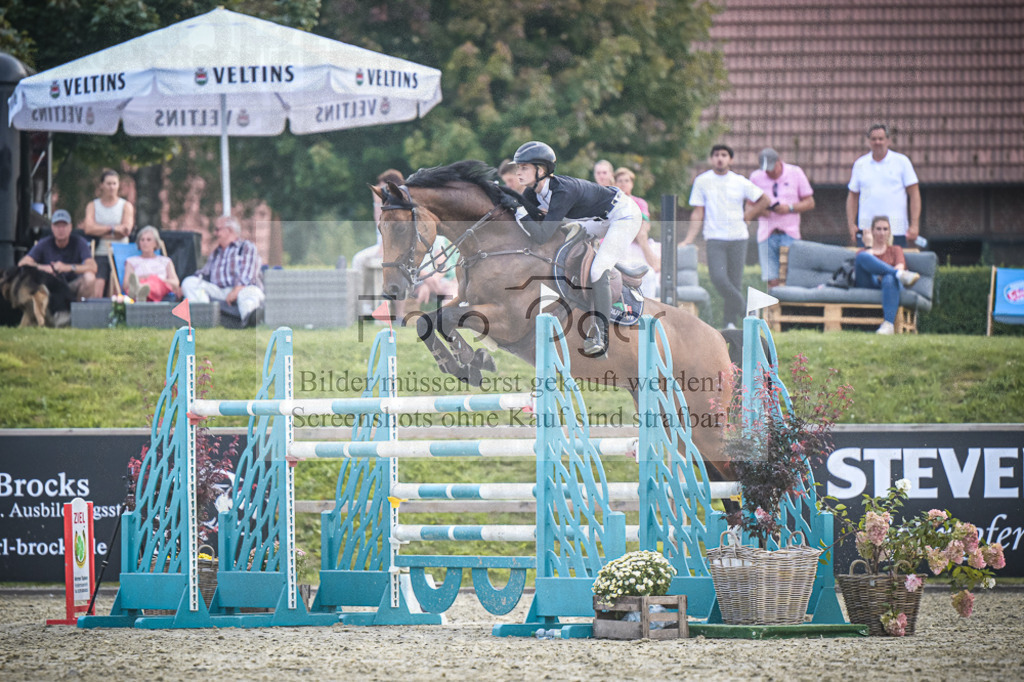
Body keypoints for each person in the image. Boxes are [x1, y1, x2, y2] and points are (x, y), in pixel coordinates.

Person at [513, 141, 643, 356]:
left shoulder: (562, 191)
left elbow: (541, 236)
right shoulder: (531, 193)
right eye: (518, 167)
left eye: (524, 167)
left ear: (541, 170)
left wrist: (518, 211)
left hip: (622, 215)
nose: (518, 172)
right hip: (595, 218)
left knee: (598, 270)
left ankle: (600, 335)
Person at [682, 144, 770, 330]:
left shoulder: (740, 181)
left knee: (734, 282)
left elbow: (765, 200)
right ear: (711, 159)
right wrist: (689, 238)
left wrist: (748, 215)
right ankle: (748, 311)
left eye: (724, 155)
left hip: (738, 237)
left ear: (731, 159)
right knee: (719, 278)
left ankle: (729, 324)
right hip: (715, 237)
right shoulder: (702, 181)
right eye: (716, 155)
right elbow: (698, 212)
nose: (720, 158)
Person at [180, 215, 265, 326]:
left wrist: (236, 290)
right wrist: (182, 286)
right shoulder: (216, 253)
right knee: (189, 282)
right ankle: (203, 319)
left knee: (249, 293)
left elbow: (247, 274)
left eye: (217, 229)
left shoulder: (245, 247)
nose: (215, 233)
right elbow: (203, 273)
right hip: (220, 292)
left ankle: (250, 320)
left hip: (244, 288)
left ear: (229, 230)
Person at [846, 124, 921, 248]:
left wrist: (915, 225)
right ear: (868, 141)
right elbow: (852, 196)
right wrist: (851, 224)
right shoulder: (860, 164)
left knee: (896, 265)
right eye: (874, 139)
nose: (877, 142)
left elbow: (914, 194)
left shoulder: (902, 162)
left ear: (888, 140)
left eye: (881, 139)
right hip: (867, 231)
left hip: (897, 230)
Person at [749, 148, 815, 288]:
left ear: (779, 162)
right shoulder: (756, 177)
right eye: (766, 170)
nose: (770, 173)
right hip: (766, 234)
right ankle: (773, 309)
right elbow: (749, 207)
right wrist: (761, 211)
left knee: (791, 277)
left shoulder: (795, 173)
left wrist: (789, 208)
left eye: (772, 169)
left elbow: (810, 202)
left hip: (790, 233)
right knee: (771, 279)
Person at [853, 216, 920, 335]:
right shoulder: (863, 251)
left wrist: (885, 274)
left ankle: (888, 325)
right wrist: (868, 246)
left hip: (889, 286)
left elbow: (900, 266)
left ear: (889, 232)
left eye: (885, 229)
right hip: (869, 283)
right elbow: (869, 270)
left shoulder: (895, 250)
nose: (882, 233)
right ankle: (898, 275)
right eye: (878, 229)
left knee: (889, 278)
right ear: (872, 231)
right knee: (862, 257)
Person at [354, 169, 406, 317]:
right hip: (382, 246)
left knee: (395, 270)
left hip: (398, 249)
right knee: (359, 260)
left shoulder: (400, 205)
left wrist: (385, 249)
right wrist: (376, 202)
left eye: (382, 186)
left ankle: (398, 314)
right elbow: (380, 225)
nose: (378, 188)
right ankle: (365, 304)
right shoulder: (383, 203)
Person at [80, 168, 135, 298]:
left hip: (120, 253)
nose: (111, 187)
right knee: (97, 290)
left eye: (114, 183)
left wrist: (99, 230)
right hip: (100, 252)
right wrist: (113, 229)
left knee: (117, 291)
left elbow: (125, 230)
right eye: (108, 183)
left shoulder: (126, 206)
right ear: (101, 185)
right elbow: (88, 229)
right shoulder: (93, 206)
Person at [17, 209, 97, 298]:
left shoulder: (79, 242)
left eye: (64, 225)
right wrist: (43, 267)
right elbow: (22, 263)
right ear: (52, 228)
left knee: (90, 277)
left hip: (72, 286)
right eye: (57, 226)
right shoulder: (44, 243)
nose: (61, 229)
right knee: (28, 278)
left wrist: (68, 267)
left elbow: (93, 267)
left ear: (70, 227)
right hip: (49, 288)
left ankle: (80, 310)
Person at [124, 226, 180, 302]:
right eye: (142, 240)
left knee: (155, 282)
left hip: (160, 286)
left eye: (148, 240)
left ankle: (139, 290)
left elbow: (175, 283)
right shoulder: (131, 261)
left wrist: (157, 279)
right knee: (138, 285)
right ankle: (140, 291)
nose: (145, 242)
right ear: (138, 243)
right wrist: (143, 278)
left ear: (156, 243)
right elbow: (126, 285)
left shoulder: (165, 261)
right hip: (140, 283)